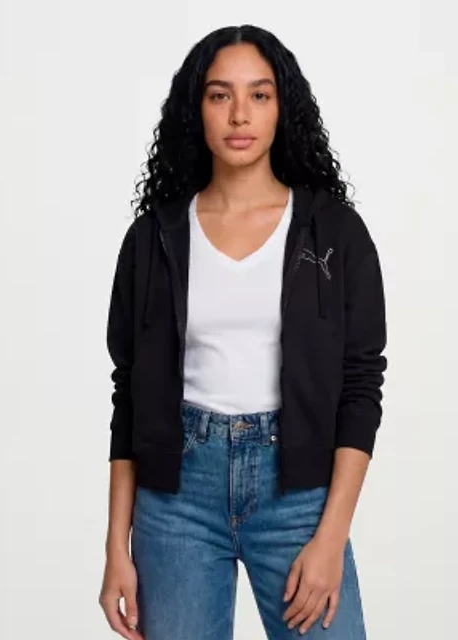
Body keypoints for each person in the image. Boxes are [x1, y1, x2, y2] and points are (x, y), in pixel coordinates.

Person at [98, 24, 387, 640]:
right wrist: (116, 547)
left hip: (298, 497)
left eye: (259, 95)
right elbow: (129, 394)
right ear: (195, 108)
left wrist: (331, 535)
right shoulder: (153, 237)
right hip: (176, 501)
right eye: (219, 95)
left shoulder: (333, 231)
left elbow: (361, 386)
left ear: (283, 107)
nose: (239, 115)